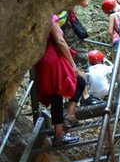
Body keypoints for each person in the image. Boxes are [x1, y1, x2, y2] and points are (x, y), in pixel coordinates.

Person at [35, 14, 86, 146]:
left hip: (41, 60)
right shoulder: (50, 17)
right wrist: (73, 65)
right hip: (53, 58)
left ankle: (59, 133)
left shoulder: (32, 17)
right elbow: (60, 41)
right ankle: (68, 118)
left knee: (55, 95)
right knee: (79, 82)